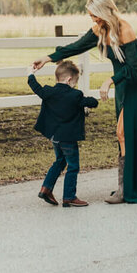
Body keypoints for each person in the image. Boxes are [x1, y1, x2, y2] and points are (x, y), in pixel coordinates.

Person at [32, 0, 137, 204]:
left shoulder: (125, 29)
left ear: (105, 11)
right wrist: (48, 58)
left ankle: (127, 189)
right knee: (124, 135)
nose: (94, 20)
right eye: (91, 16)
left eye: (95, 15)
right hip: (122, 87)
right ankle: (126, 185)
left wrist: (110, 80)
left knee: (123, 132)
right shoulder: (99, 30)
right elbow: (76, 46)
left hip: (134, 87)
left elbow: (134, 69)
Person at [28, 59, 100, 207]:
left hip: (54, 137)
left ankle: (46, 188)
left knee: (60, 161)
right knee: (73, 166)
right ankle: (69, 196)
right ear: (69, 79)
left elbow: (36, 87)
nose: (75, 85)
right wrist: (94, 99)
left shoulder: (48, 92)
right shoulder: (75, 95)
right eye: (74, 82)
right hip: (68, 138)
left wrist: (30, 74)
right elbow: (92, 102)